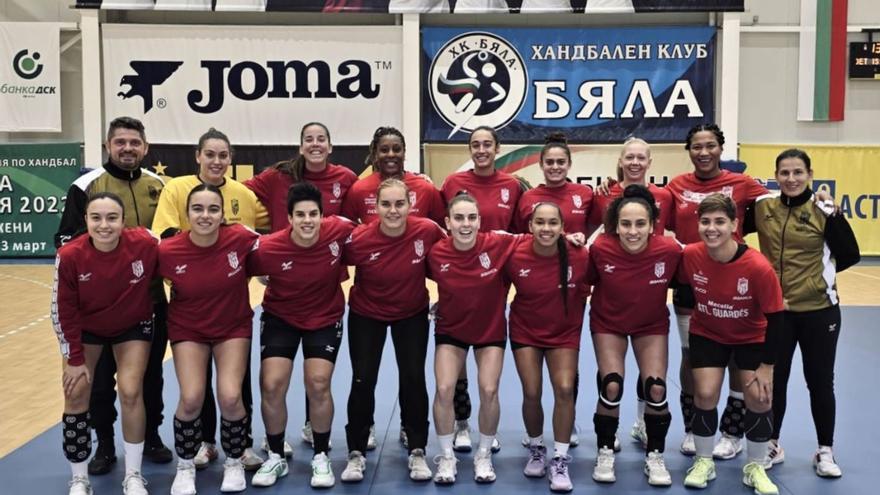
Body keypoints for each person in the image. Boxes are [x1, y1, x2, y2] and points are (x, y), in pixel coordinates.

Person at [54, 116, 172, 475]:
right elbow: (63, 240)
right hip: (97, 306)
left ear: (146, 148)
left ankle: (150, 435)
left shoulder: (159, 185)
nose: (127, 149)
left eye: (134, 143)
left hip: (149, 301)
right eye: (120, 142)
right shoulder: (86, 185)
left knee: (150, 377)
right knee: (101, 381)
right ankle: (104, 443)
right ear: (108, 146)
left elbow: (168, 238)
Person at [152, 128, 267, 471]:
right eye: (210, 154)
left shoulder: (244, 196)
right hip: (190, 305)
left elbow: (265, 233)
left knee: (235, 387)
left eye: (223, 155)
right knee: (195, 389)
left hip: (233, 305)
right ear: (197, 156)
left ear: (230, 160)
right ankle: (204, 443)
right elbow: (166, 235)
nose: (216, 161)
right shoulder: (176, 188)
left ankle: (241, 447)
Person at [245, 122, 358, 453]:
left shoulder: (339, 220)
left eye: (321, 138)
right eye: (308, 139)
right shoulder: (267, 247)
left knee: (318, 382)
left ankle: (320, 449)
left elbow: (373, 229)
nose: (307, 220)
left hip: (324, 308)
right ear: (289, 217)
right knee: (272, 384)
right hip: (281, 311)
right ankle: (276, 450)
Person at [750, 149, 859, 477]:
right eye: (784, 173)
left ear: (810, 175)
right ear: (776, 175)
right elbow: (725, 226)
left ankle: (825, 450)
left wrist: (815, 278)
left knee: (820, 382)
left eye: (798, 172)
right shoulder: (762, 207)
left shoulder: (824, 208)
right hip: (777, 312)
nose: (791, 179)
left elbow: (850, 254)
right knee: (774, 381)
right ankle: (772, 442)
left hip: (819, 311)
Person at [664, 124, 769, 459]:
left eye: (710, 145)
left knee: (739, 356)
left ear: (721, 148)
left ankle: (733, 431)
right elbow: (648, 212)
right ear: (689, 150)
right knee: (692, 355)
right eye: (697, 146)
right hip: (690, 282)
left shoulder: (742, 184)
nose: (704, 152)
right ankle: (694, 427)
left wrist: (818, 197)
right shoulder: (677, 186)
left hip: (734, 282)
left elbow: (782, 200)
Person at [339, 179, 447, 483]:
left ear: (410, 204)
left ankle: (417, 450)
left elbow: (453, 256)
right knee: (362, 380)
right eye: (386, 204)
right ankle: (356, 452)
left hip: (411, 314)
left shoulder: (426, 230)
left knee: (413, 378)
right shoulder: (359, 238)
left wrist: (448, 299)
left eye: (400, 204)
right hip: (366, 314)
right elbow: (325, 259)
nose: (393, 210)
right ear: (376, 206)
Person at [52, 193, 159, 495]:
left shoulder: (145, 243)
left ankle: (134, 475)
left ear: (124, 221)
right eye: (96, 218)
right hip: (87, 330)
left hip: (132, 325)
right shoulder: (70, 255)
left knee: (130, 390)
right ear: (85, 220)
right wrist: (74, 359)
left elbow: (182, 250)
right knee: (76, 394)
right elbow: (62, 310)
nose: (104, 225)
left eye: (112, 218)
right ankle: (79, 478)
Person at [678, 194, 783, 495]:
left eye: (720, 222)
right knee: (706, 393)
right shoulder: (691, 255)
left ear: (735, 225)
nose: (712, 228)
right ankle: (703, 461)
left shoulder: (758, 267)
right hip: (708, 333)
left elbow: (777, 320)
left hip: (751, 337)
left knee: (760, 398)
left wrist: (766, 367)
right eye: (706, 221)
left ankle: (756, 467)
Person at [158, 184, 260, 495]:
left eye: (213, 209)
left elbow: (279, 249)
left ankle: (233, 460)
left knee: (230, 396)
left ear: (223, 214)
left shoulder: (241, 239)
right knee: (191, 398)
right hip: (188, 329)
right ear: (187, 214)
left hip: (231, 327)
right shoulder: (167, 251)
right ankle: (186, 464)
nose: (205, 215)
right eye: (198, 209)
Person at [585, 185, 681, 487]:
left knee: (656, 388)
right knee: (611, 384)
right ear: (616, 224)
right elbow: (581, 275)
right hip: (608, 323)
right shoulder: (600, 248)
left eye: (640, 224)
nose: (633, 231)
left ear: (652, 224)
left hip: (650, 325)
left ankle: (655, 455)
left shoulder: (669, 250)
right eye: (626, 224)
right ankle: (605, 449)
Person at [427, 193, 522, 485]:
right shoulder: (436, 253)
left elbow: (541, 238)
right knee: (444, 388)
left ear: (479, 221)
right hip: (451, 330)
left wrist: (572, 239)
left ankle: (483, 454)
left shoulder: (499, 243)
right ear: (448, 222)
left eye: (471, 218)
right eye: (458, 218)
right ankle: (446, 456)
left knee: (489, 389)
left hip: (489, 330)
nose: (465, 224)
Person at [439, 125, 523, 452]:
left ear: (497, 148)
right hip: (460, 276)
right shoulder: (453, 183)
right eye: (476, 144)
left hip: (494, 275)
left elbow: (519, 232)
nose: (482, 149)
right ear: (470, 149)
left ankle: (487, 427)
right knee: (456, 355)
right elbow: (438, 228)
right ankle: (462, 422)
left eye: (488, 144)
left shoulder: (512, 185)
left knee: (486, 353)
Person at [507, 202, 589, 493]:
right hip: (525, 330)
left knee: (565, 388)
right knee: (532, 391)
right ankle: (537, 447)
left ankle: (559, 458)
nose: (546, 228)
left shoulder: (579, 254)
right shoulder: (514, 251)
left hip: (564, 331)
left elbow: (601, 283)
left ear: (563, 227)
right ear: (530, 226)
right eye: (539, 222)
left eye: (553, 223)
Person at [245, 122, 357, 232]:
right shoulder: (277, 176)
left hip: (325, 249)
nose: (315, 144)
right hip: (284, 249)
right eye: (309, 140)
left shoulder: (346, 177)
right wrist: (266, 215)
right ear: (301, 149)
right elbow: (236, 191)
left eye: (321, 139)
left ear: (330, 147)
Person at [342, 126, 445, 225]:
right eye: (384, 150)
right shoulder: (359, 189)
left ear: (404, 153)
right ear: (376, 154)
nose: (391, 154)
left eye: (396, 149)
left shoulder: (425, 188)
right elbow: (346, 228)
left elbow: (444, 226)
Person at [516, 133, 593, 235]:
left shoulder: (585, 193)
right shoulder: (527, 197)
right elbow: (519, 235)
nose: (555, 167)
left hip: (574, 251)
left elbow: (595, 227)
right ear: (541, 165)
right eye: (549, 162)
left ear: (569, 164)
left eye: (561, 162)